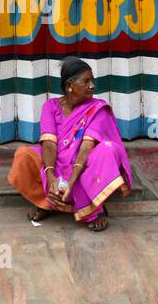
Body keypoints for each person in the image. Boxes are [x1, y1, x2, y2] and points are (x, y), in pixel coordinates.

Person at [7, 57, 133, 232]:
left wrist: (71, 181)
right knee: (23, 154)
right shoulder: (50, 106)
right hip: (56, 160)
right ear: (69, 85)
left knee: (107, 150)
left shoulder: (98, 109)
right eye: (86, 81)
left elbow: (86, 148)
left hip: (83, 164)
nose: (92, 86)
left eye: (92, 80)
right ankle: (46, 203)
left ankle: (92, 209)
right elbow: (49, 144)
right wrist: (50, 175)